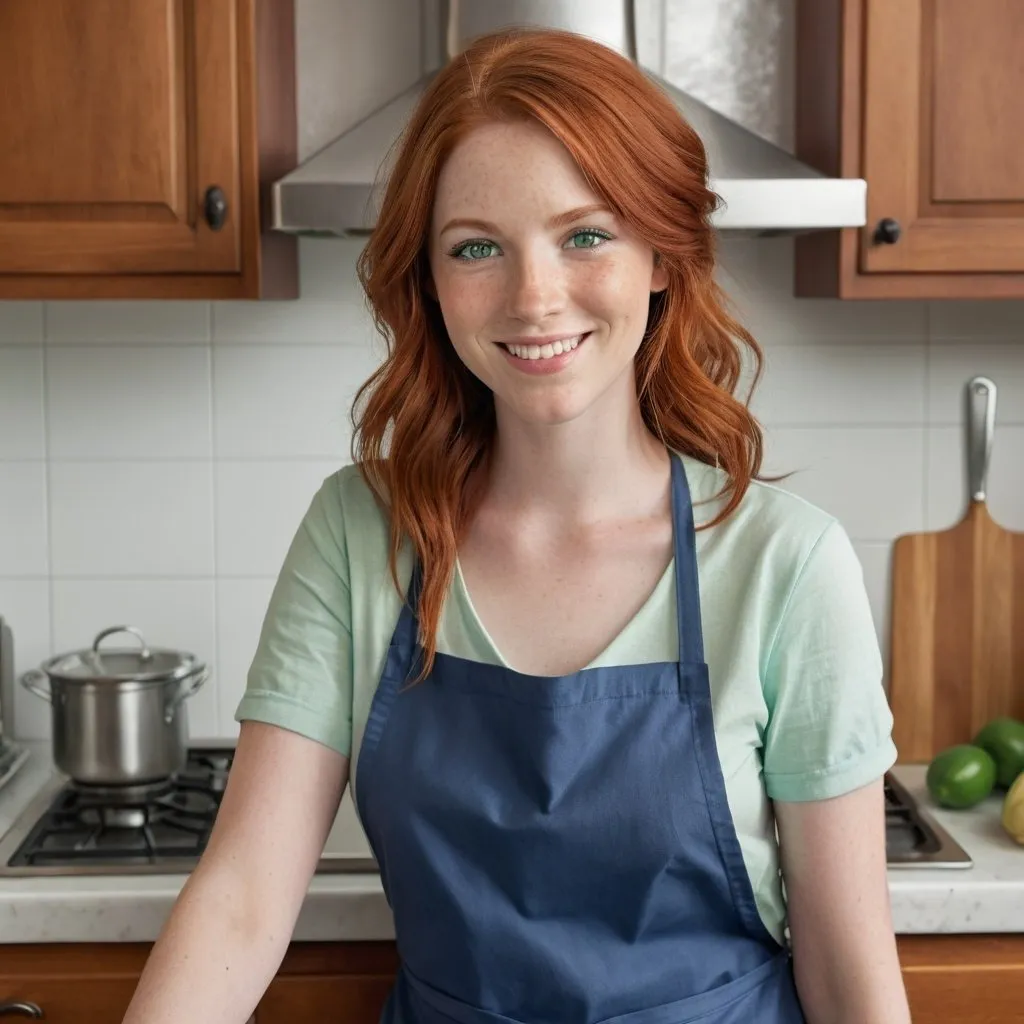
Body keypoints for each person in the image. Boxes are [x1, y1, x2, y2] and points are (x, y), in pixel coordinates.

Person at [123, 26, 911, 1024]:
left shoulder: (783, 563)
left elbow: (847, 971)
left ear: (661, 258)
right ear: (431, 281)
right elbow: (240, 905)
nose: (534, 297)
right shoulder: (363, 532)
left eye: (585, 235)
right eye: (477, 248)